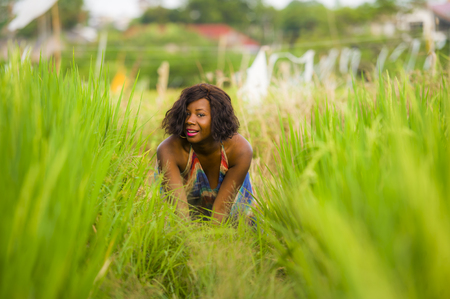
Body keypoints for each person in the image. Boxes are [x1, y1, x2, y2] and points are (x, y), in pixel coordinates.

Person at [157, 83, 255, 224]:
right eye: (187, 113)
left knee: (241, 229)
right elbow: (180, 216)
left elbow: (220, 212)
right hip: (187, 213)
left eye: (200, 115)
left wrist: (211, 241)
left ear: (217, 118)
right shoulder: (169, 149)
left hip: (231, 213)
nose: (190, 120)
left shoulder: (240, 149)